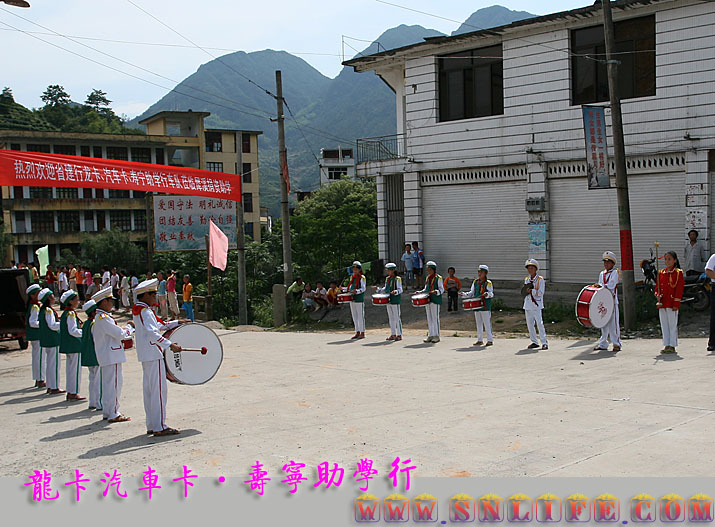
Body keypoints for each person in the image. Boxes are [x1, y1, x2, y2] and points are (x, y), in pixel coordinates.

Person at [133, 279, 184, 436]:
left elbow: (159, 326)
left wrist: (177, 322)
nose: (155, 296)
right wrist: (170, 345)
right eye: (153, 294)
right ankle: (159, 426)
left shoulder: (140, 310)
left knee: (150, 391)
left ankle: (152, 424)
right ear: (146, 295)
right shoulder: (145, 311)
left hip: (146, 354)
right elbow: (153, 333)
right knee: (159, 391)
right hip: (154, 354)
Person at [92, 286, 134, 423]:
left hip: (108, 354)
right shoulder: (103, 318)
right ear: (104, 302)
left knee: (109, 384)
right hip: (111, 355)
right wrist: (130, 328)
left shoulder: (100, 317)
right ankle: (113, 412)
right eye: (110, 301)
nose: (111, 304)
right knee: (114, 384)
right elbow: (120, 334)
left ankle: (109, 410)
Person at [59, 290, 85, 401]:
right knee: (75, 370)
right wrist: (84, 333)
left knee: (71, 369)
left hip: (70, 345)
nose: (78, 301)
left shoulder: (67, 313)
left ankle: (71, 391)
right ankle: (73, 392)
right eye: (76, 300)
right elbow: (73, 330)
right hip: (74, 344)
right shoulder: (70, 314)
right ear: (70, 301)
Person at [657, 251, 685, 354]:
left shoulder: (678, 273)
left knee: (672, 324)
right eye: (666, 259)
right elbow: (658, 287)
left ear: (674, 260)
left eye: (669, 259)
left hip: (671, 302)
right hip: (663, 302)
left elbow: (679, 289)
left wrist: (676, 303)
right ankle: (666, 344)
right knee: (664, 324)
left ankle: (672, 345)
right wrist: (657, 295)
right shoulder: (661, 273)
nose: (667, 261)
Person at [594, 251, 622, 352]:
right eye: (605, 262)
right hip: (603, 301)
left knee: (613, 323)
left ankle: (616, 343)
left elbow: (611, 285)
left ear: (613, 263)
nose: (606, 264)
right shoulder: (602, 273)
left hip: (612, 301)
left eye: (608, 262)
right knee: (603, 323)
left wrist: (601, 286)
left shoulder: (615, 273)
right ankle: (603, 343)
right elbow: (601, 284)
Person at [461, 265, 494, 346]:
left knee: (487, 323)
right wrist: (464, 294)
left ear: (485, 273)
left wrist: (487, 294)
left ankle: (490, 340)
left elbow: (491, 293)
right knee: (478, 323)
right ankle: (480, 339)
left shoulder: (488, 283)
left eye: (481, 272)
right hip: (476, 304)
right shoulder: (475, 282)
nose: (479, 273)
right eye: (479, 272)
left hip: (485, 305)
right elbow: (471, 293)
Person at [38, 287, 63, 394]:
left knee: (50, 363)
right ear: (48, 298)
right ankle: (54, 386)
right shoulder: (48, 310)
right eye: (52, 295)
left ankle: (50, 385)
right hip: (53, 339)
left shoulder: (43, 310)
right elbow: (52, 325)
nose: (53, 297)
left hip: (47, 339)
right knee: (54, 364)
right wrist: (63, 324)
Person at [80, 299, 102, 411]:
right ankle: (99, 402)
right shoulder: (94, 324)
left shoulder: (85, 324)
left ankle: (92, 401)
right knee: (99, 379)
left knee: (92, 378)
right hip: (95, 354)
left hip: (88, 354)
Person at [523, 258, 548, 350]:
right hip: (528, 304)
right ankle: (534, 341)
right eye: (529, 268)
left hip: (536, 304)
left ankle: (544, 342)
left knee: (539, 323)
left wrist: (532, 291)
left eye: (532, 268)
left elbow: (541, 292)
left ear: (535, 269)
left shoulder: (540, 279)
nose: (530, 270)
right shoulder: (526, 279)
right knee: (530, 324)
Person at [375, 262, 403, 341]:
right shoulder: (387, 279)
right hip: (388, 300)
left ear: (393, 270)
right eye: (387, 270)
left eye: (389, 270)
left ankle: (399, 334)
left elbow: (400, 289)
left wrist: (395, 292)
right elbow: (385, 288)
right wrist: (378, 289)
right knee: (391, 318)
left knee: (397, 317)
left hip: (395, 300)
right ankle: (393, 334)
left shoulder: (398, 279)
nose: (387, 272)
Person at [26, 284, 45, 388]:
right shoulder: (35, 306)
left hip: (35, 335)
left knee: (37, 357)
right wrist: (43, 325)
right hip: (37, 335)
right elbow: (33, 322)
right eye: (38, 293)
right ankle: (40, 379)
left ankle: (38, 378)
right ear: (32, 296)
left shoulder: (34, 305)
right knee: (40, 357)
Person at [421, 261, 444, 343]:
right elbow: (426, 288)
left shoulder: (438, 278)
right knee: (429, 318)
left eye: (430, 269)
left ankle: (436, 335)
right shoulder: (428, 278)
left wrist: (436, 292)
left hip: (435, 299)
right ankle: (430, 334)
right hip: (428, 299)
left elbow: (442, 289)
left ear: (434, 270)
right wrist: (420, 292)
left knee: (435, 318)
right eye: (428, 269)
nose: (428, 271)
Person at [347, 261, 367, 339]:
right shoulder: (352, 277)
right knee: (354, 315)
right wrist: (344, 289)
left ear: (359, 269)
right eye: (353, 269)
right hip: (352, 298)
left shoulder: (362, 277)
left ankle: (362, 332)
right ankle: (357, 331)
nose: (354, 270)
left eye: (356, 269)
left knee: (360, 316)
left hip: (359, 298)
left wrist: (357, 291)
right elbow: (351, 287)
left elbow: (363, 288)